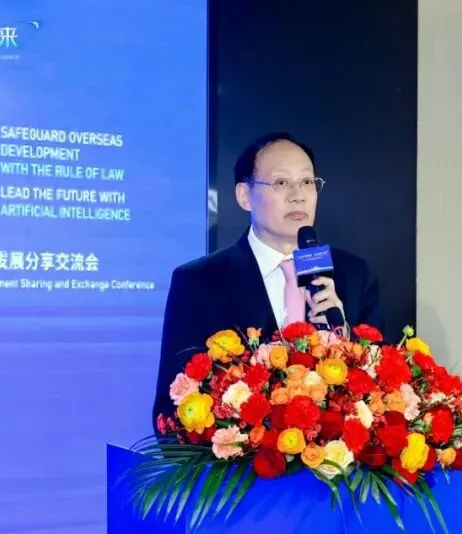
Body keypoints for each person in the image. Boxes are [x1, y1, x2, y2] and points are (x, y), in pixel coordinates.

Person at [152, 132, 384, 426]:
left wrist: (343, 334)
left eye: (307, 181)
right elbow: (170, 409)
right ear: (245, 196)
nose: (298, 195)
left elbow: (385, 390)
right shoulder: (199, 282)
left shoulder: (353, 275)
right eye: (281, 182)